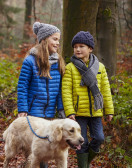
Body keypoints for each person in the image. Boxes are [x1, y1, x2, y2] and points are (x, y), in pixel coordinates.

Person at [62, 31, 114, 168]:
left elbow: (105, 91)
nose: (77, 49)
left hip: (96, 111)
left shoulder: (100, 68)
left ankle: (85, 163)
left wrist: (109, 110)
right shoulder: (70, 68)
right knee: (82, 142)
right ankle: (83, 166)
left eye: (81, 46)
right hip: (78, 113)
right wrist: (70, 111)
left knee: (99, 138)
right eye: (75, 47)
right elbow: (66, 91)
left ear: (90, 48)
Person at [17, 22, 66, 168]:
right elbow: (22, 87)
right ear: (44, 40)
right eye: (54, 39)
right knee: (39, 151)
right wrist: (22, 109)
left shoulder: (58, 62)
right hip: (33, 113)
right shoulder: (30, 61)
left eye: (58, 40)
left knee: (45, 149)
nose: (57, 43)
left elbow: (59, 90)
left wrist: (62, 109)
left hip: (50, 114)